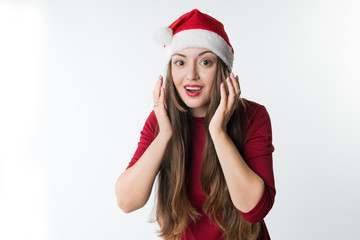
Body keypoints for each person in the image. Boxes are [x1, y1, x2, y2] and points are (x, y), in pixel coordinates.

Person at [115, 9, 275, 240]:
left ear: (222, 69)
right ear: (170, 70)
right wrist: (164, 135)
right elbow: (127, 201)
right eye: (180, 62)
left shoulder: (253, 116)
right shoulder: (161, 118)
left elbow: (254, 210)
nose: (191, 75)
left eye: (205, 62)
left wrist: (218, 133)